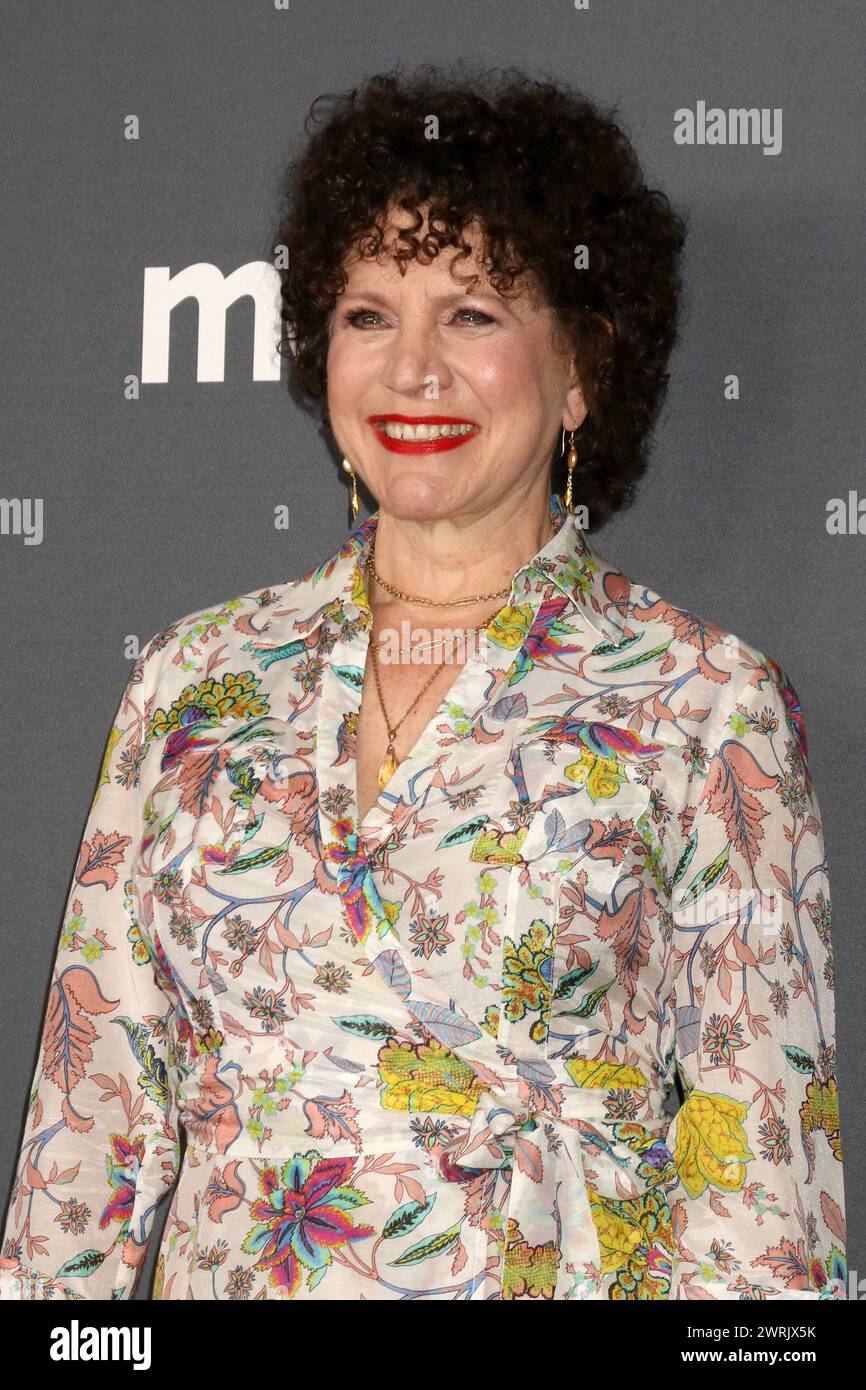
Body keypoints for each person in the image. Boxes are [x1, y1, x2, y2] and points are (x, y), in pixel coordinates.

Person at [1, 65, 846, 1301]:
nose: (411, 371)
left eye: (472, 315)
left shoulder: (702, 699)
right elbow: (92, 1125)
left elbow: (760, 1183)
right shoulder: (194, 679)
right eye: (367, 316)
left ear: (581, 371)